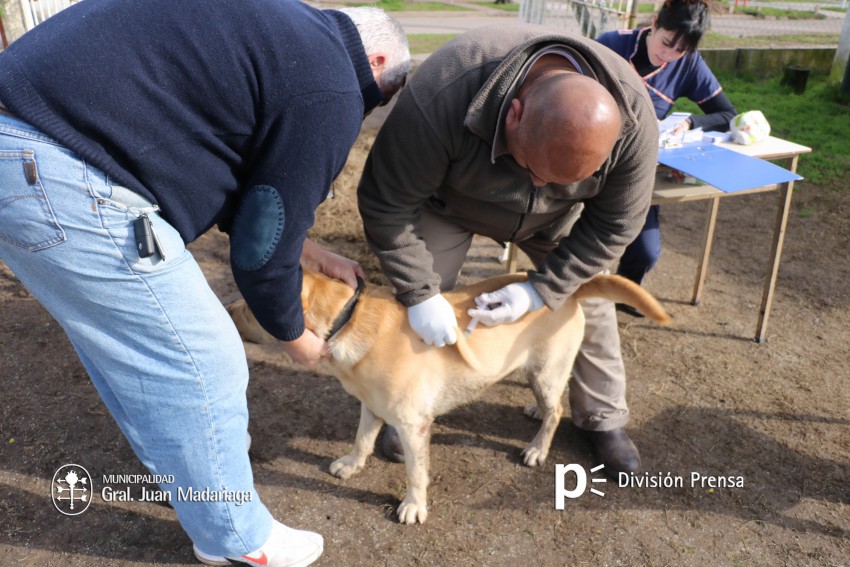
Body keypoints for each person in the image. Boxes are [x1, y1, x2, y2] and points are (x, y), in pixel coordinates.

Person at [0, 0, 409, 565]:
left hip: (21, 147)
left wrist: (304, 246)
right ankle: (235, 539)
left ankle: (190, 484)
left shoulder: (279, 30)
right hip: (58, 171)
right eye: (375, 99)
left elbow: (233, 168)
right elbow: (262, 250)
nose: (359, 113)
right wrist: (299, 337)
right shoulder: (336, 84)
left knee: (134, 350)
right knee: (205, 357)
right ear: (379, 60)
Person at [357, 24, 658, 478]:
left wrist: (544, 290)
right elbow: (386, 201)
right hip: (452, 205)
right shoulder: (444, 90)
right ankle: (408, 400)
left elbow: (617, 223)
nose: (537, 182)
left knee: (588, 304)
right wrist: (419, 293)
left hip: (556, 219)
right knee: (420, 303)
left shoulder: (634, 121)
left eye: (558, 175)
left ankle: (603, 417)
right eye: (534, 167)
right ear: (513, 114)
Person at [596, 0, 737, 305]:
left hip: (637, 169)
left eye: (679, 50)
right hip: (590, 161)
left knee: (645, 253)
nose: (668, 54)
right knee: (581, 238)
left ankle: (622, 298)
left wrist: (689, 121)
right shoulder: (611, 45)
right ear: (655, 22)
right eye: (667, 43)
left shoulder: (688, 64)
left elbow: (726, 113)